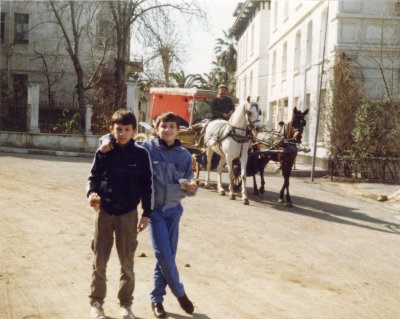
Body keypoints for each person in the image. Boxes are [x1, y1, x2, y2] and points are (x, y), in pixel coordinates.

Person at [100, 112, 198, 318]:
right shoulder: (147, 149)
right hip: (155, 212)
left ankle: (157, 299)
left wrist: (191, 186)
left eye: (172, 126)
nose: (168, 130)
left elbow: (191, 182)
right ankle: (180, 293)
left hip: (174, 211)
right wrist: (107, 139)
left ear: (177, 130)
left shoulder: (184, 155)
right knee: (163, 254)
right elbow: (122, 141)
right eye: (164, 126)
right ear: (156, 128)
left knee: (167, 257)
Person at [86, 109, 153, 319]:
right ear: (111, 130)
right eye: (118, 129)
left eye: (126, 129)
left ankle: (126, 304)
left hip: (128, 214)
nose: (122, 133)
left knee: (127, 263)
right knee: (100, 261)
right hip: (104, 212)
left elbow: (146, 186)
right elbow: (93, 178)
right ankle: (97, 303)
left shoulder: (141, 155)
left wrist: (146, 213)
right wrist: (91, 194)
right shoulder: (103, 151)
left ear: (134, 131)